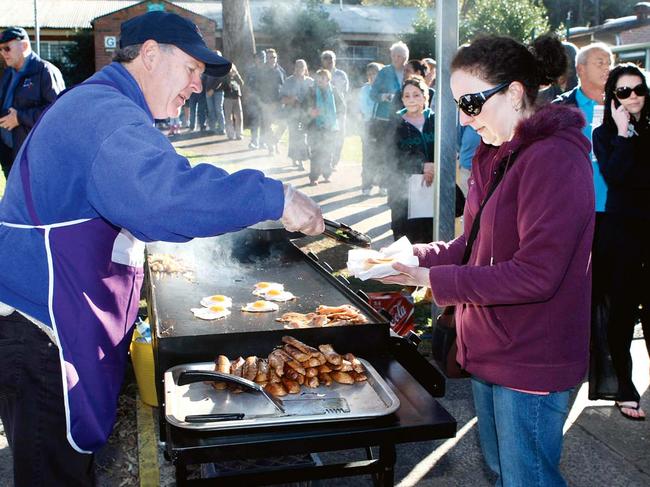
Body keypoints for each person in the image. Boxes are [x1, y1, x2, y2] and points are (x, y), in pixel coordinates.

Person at [0, 11, 324, 486]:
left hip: (54, 326)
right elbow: (163, 197)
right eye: (192, 69)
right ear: (150, 55)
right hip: (43, 339)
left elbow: (154, 188)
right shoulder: (103, 114)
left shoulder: (108, 106)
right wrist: (275, 196)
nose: (197, 85)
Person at [381, 34, 594, 486]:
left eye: (472, 102)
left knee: (526, 480)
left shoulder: (554, 158)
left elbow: (538, 275)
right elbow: (472, 246)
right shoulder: (495, 151)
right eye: (458, 103)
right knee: (503, 474)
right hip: (490, 348)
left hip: (533, 357)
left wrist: (435, 282)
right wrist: (413, 257)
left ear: (515, 93)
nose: (462, 116)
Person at [592, 63, 650, 421]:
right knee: (622, 313)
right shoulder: (605, 134)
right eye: (623, 91)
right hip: (622, 231)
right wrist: (624, 133)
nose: (632, 97)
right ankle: (624, 386)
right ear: (612, 97)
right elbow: (614, 174)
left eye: (638, 89)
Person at [554, 42, 613, 214]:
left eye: (609, 63)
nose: (607, 68)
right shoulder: (560, 109)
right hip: (576, 209)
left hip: (620, 208)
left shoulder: (625, 103)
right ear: (581, 69)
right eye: (600, 63)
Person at [0, 26, 65, 180]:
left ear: (24, 45)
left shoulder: (45, 71)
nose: (3, 54)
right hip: (10, 155)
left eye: (7, 48)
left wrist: (20, 118)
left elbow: (57, 114)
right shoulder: (8, 74)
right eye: (1, 50)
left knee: (35, 202)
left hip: (34, 158)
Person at [387, 75, 434, 243]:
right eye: (407, 96)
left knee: (430, 237)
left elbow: (447, 149)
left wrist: (434, 166)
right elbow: (391, 157)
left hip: (432, 189)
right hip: (404, 191)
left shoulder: (436, 120)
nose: (411, 99)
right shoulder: (396, 123)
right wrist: (422, 166)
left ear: (425, 96)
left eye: (416, 95)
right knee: (406, 239)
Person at [370, 41, 409, 197]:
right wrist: (384, 96)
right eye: (393, 55)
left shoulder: (409, 71)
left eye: (399, 55)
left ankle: (399, 183)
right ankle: (383, 184)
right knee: (386, 151)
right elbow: (372, 94)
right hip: (385, 118)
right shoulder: (385, 72)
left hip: (405, 118)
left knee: (401, 152)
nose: (396, 58)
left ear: (406, 57)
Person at [304, 68, 345, 186]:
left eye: (323, 78)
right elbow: (304, 106)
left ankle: (327, 175)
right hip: (315, 126)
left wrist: (334, 116)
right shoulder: (311, 91)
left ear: (328, 79)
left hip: (331, 127)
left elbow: (342, 107)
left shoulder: (334, 91)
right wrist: (310, 111)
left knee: (328, 152)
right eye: (318, 78)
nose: (320, 80)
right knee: (316, 152)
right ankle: (313, 177)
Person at [280, 59, 313, 170]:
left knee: (303, 136)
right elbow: (282, 99)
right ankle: (297, 160)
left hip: (306, 114)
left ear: (305, 69)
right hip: (292, 113)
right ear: (294, 68)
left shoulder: (310, 82)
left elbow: (315, 98)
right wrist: (292, 99)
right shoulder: (288, 81)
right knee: (294, 136)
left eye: (301, 67)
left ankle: (300, 159)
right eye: (297, 67)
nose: (299, 69)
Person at [320, 50, 349, 169]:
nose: (329, 60)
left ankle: (334, 162)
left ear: (335, 60)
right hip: (324, 112)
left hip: (339, 111)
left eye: (331, 58)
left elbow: (345, 91)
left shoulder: (341, 75)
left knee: (340, 137)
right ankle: (325, 162)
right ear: (322, 61)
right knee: (325, 137)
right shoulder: (320, 74)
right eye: (326, 58)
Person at [358, 62, 383, 196]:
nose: (372, 77)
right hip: (369, 125)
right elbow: (364, 109)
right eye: (370, 74)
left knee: (383, 156)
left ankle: (383, 184)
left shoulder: (387, 89)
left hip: (383, 126)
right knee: (368, 157)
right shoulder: (364, 90)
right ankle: (367, 185)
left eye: (375, 74)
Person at [259, 48, 285, 155]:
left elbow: (284, 86)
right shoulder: (262, 71)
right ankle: (271, 148)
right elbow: (260, 88)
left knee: (283, 124)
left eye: (274, 57)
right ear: (267, 59)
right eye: (270, 57)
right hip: (267, 103)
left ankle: (275, 141)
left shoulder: (281, 70)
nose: (273, 59)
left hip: (279, 102)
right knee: (268, 125)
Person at [244, 50, 266, 149]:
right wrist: (247, 95)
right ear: (255, 59)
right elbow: (246, 84)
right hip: (253, 100)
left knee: (265, 122)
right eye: (258, 57)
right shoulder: (251, 70)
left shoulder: (268, 70)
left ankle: (263, 142)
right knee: (254, 121)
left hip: (265, 100)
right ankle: (254, 141)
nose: (260, 59)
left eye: (262, 57)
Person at [220, 63, 245, 140]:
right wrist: (228, 78)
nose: (231, 70)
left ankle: (239, 134)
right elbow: (222, 86)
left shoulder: (236, 76)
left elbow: (241, 83)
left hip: (236, 97)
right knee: (228, 117)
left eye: (232, 68)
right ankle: (230, 134)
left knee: (239, 117)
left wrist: (236, 74)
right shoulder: (225, 76)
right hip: (228, 98)